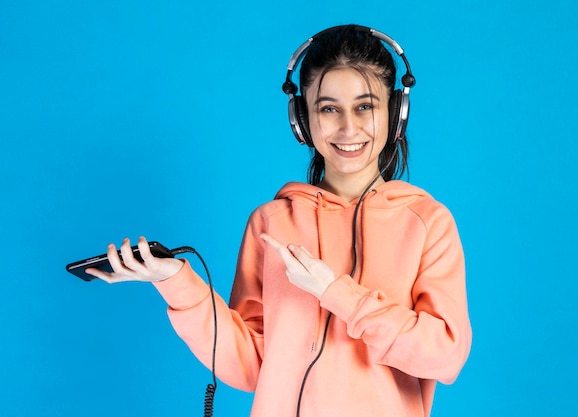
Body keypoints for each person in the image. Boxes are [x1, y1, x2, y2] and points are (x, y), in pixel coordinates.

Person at [87, 24, 471, 417]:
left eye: (365, 106)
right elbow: (251, 364)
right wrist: (174, 282)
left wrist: (336, 293)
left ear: (395, 112)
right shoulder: (271, 223)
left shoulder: (427, 223)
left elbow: (445, 354)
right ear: (302, 119)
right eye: (328, 108)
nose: (348, 128)